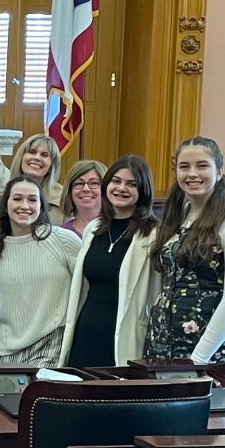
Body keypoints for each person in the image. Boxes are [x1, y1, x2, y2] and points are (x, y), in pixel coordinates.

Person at [143, 137, 225, 365]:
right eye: (184, 167)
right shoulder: (178, 215)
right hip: (163, 344)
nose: (192, 173)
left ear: (219, 171)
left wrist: (198, 359)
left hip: (210, 351)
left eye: (202, 165)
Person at [59, 155, 159, 367]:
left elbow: (156, 295)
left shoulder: (154, 234)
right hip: (86, 333)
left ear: (144, 190)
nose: (121, 188)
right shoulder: (93, 229)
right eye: (116, 181)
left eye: (131, 184)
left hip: (125, 336)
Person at [0, 176, 81, 366]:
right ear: (6, 204)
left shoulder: (64, 240)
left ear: (41, 206)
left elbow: (88, 288)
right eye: (17, 199)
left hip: (52, 346)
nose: (24, 205)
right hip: (6, 350)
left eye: (32, 199)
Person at [9, 134, 64, 224]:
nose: (37, 158)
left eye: (44, 155)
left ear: (51, 165)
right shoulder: (1, 191)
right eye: (32, 152)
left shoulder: (63, 196)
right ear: (21, 158)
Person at [59, 160, 106, 237]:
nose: (85, 189)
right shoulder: (60, 234)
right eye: (79, 183)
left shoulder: (119, 230)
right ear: (70, 191)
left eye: (94, 183)